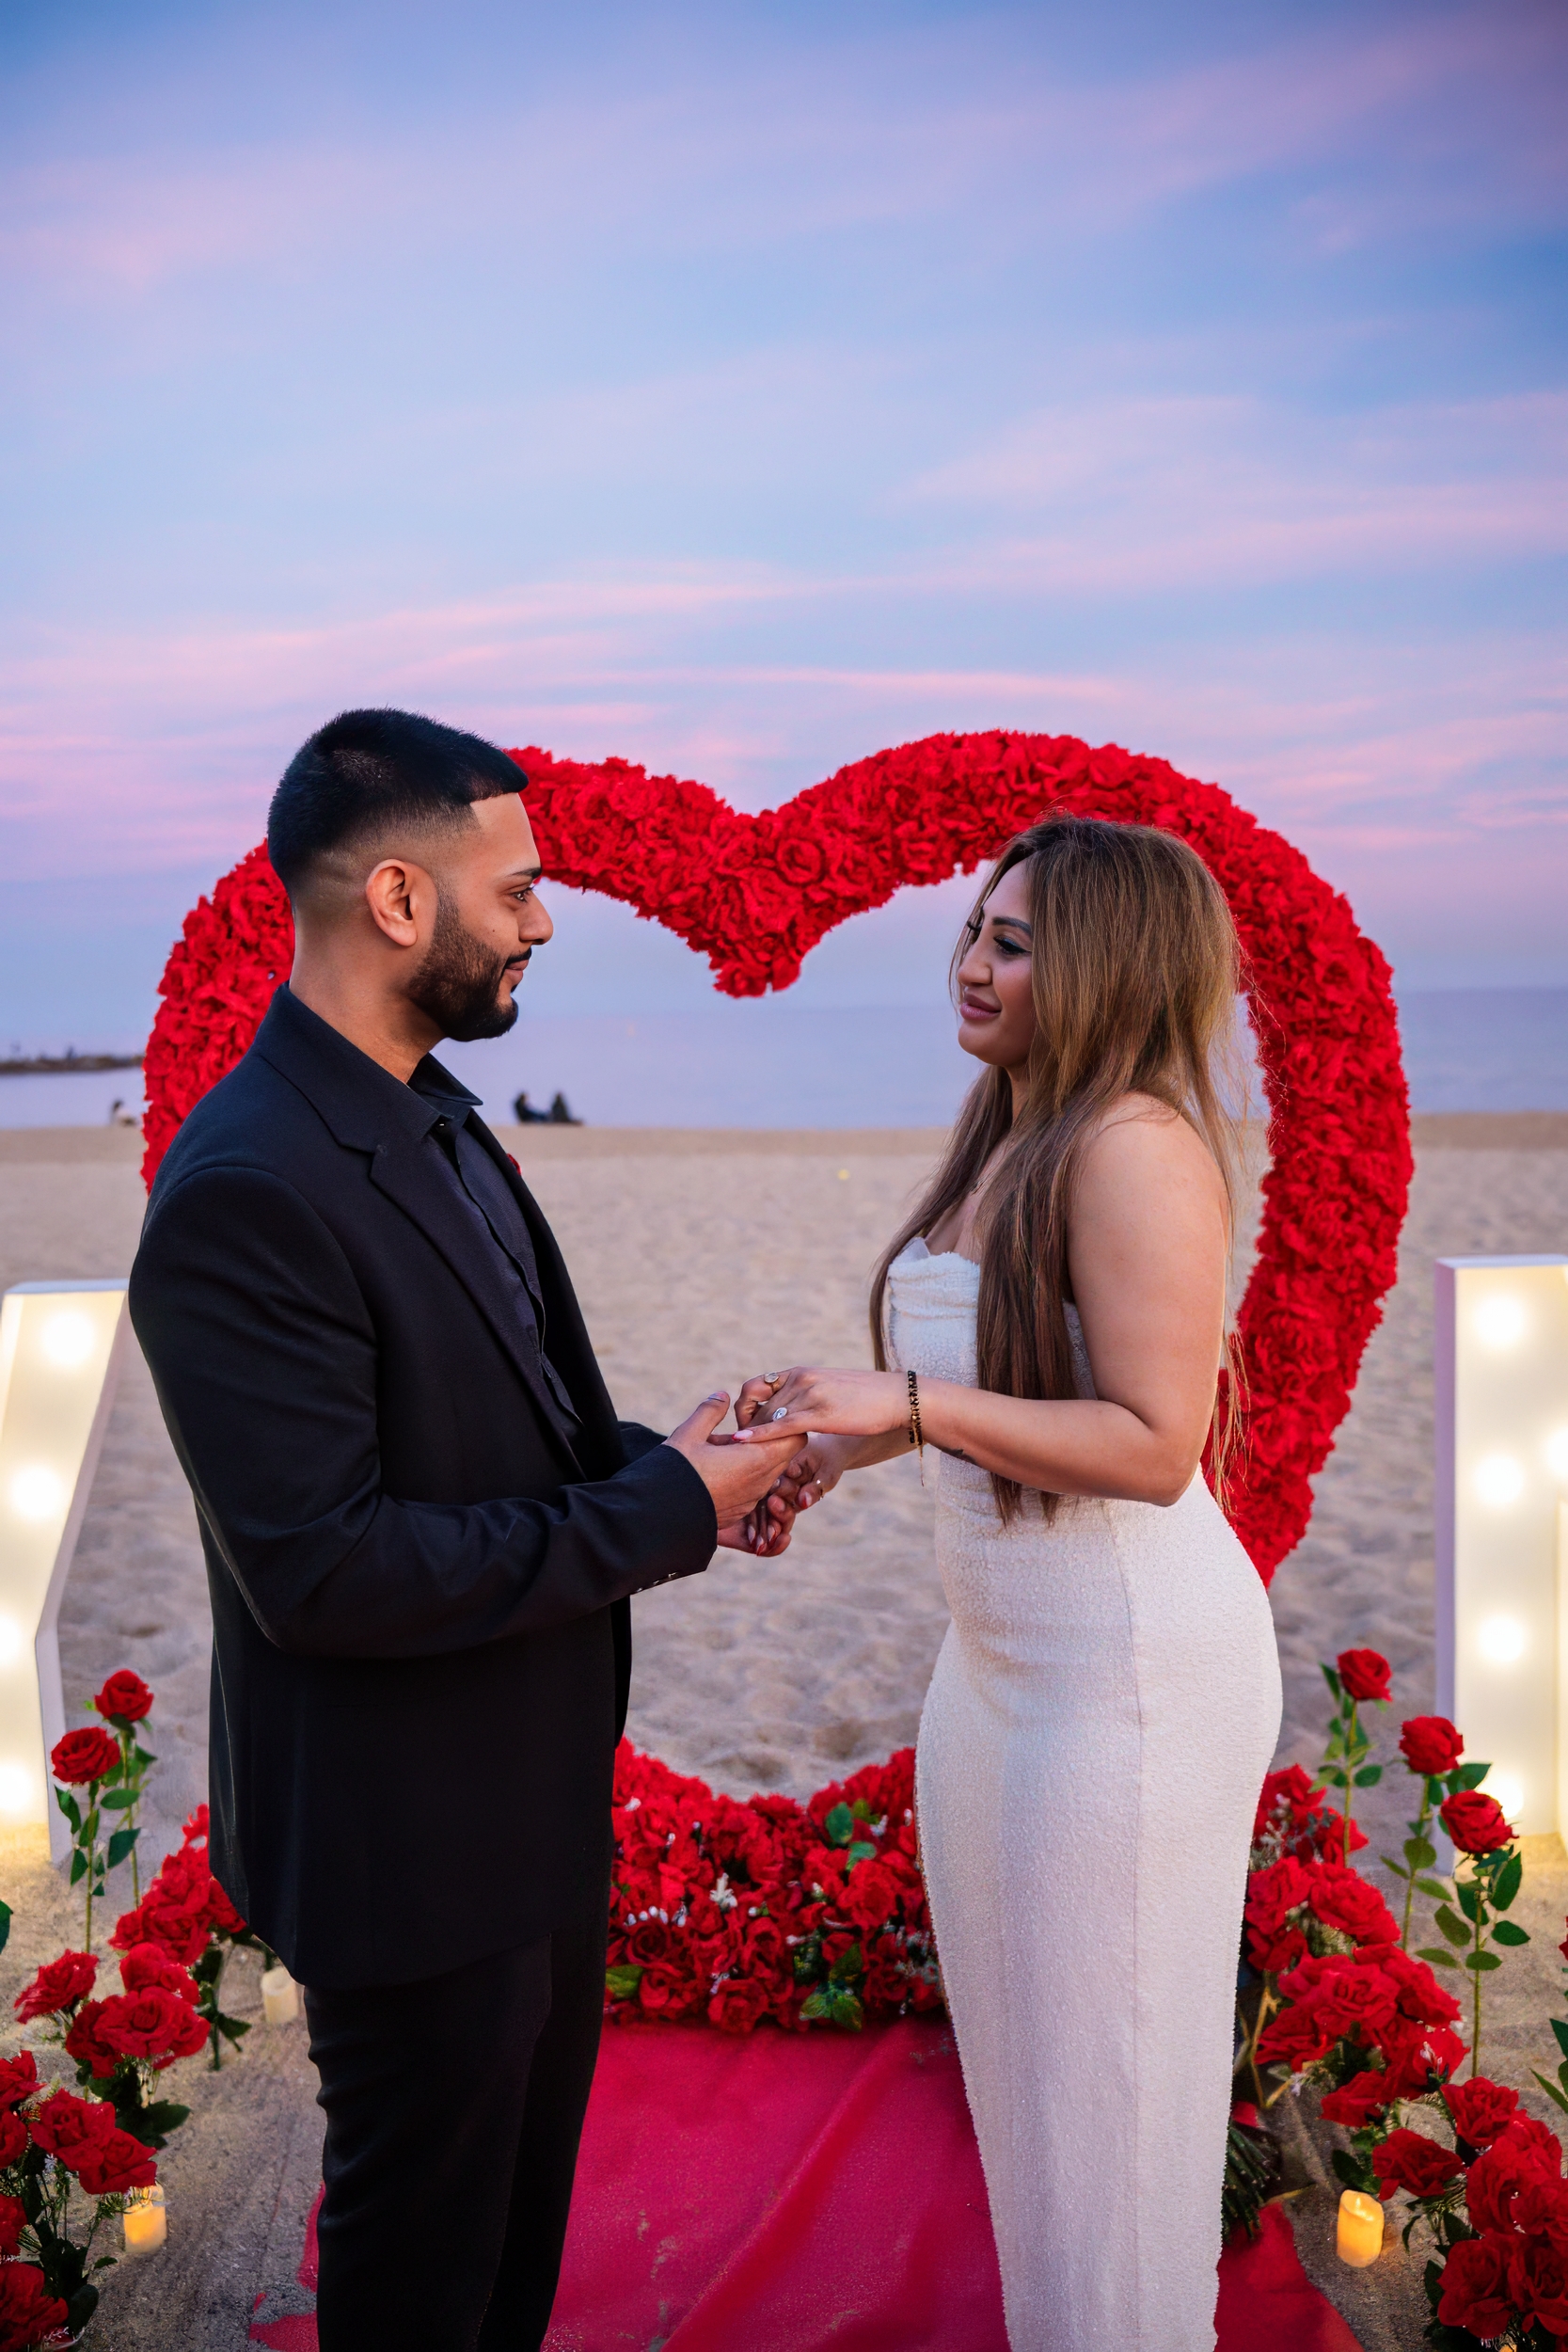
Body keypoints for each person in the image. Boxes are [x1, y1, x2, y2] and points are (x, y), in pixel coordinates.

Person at [129, 708, 802, 2352]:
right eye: (519, 888)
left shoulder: (435, 1113)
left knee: (512, 2252)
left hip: (527, 1804)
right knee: (423, 2277)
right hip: (406, 1848)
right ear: (402, 904)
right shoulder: (245, 1185)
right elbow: (329, 1571)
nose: (545, 919)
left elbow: (497, 1432)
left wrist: (687, 1465)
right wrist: (659, 1513)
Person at [736, 815, 1282, 2351]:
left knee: (1108, 2120)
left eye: (1016, 940)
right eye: (972, 930)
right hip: (995, 1674)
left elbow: (1157, 1443)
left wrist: (901, 1408)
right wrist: (827, 1455)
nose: (973, 964)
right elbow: (1002, 1386)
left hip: (1125, 1677)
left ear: (1110, 962)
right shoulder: (1015, 1131)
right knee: (1038, 2108)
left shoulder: (1134, 1148)